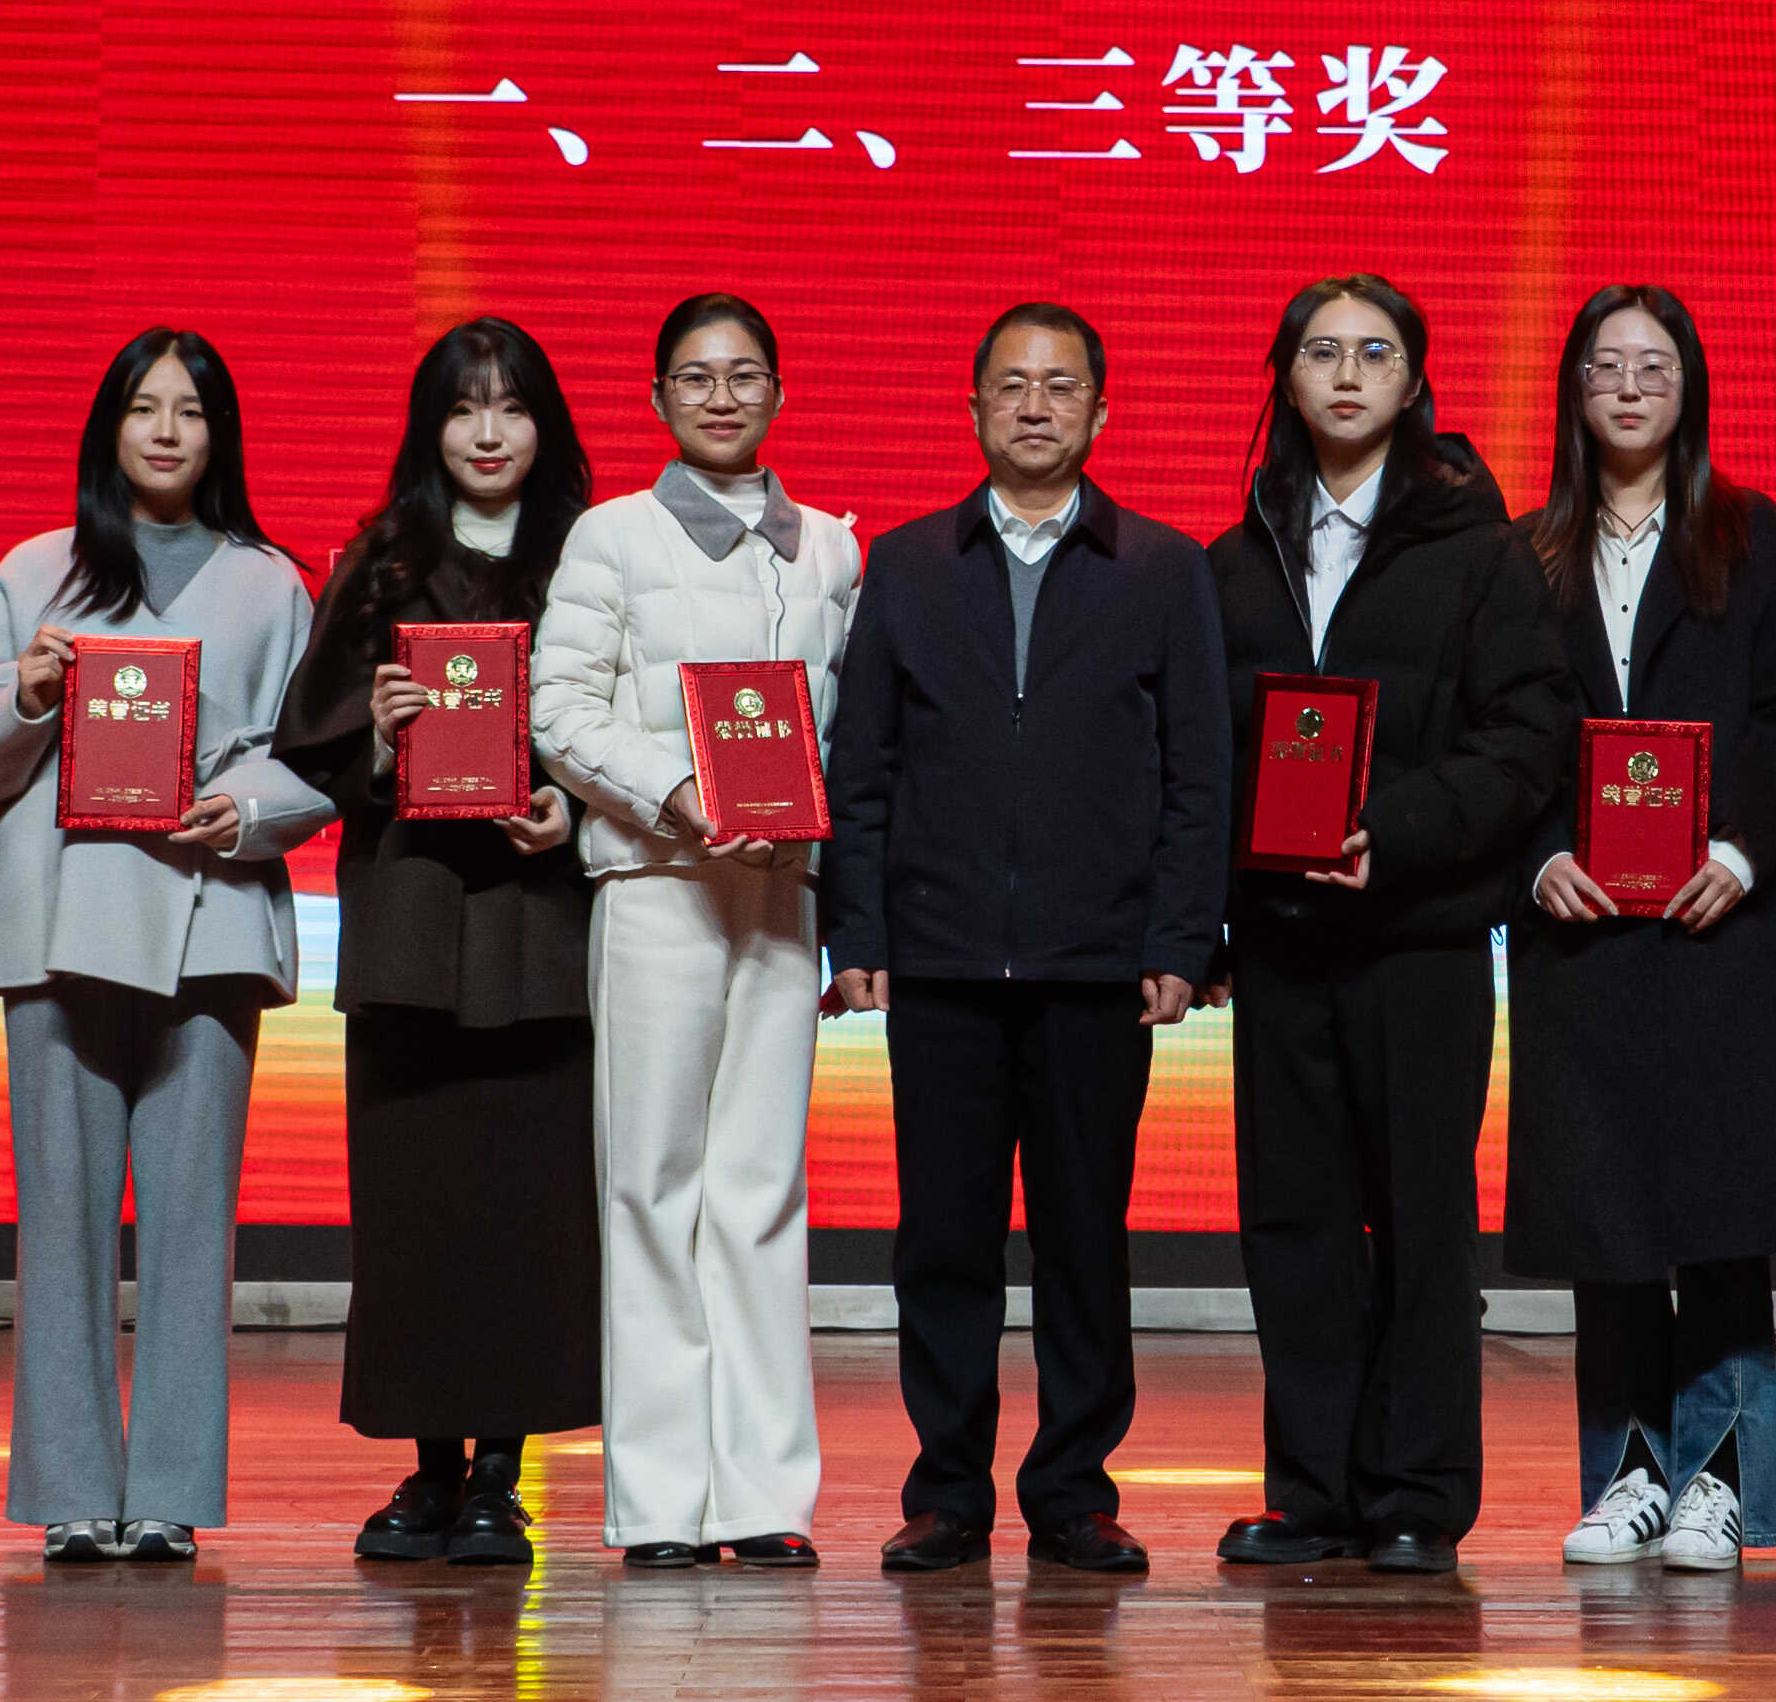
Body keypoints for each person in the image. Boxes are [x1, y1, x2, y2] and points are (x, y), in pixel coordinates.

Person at [823, 301, 1231, 1580]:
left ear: (1102, 410)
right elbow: (864, 766)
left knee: (1083, 1240)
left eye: (1061, 385)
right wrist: (857, 929)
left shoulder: (1162, 569)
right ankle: (947, 1493)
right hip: (940, 960)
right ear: (974, 409)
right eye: (1012, 385)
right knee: (941, 1242)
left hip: (1096, 967)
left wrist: (1181, 938)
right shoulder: (906, 564)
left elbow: (1200, 778)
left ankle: (1072, 1492)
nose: (1036, 406)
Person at [0, 331, 335, 1565]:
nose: (166, 431)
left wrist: (246, 808)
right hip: (59, 924)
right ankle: (70, 1490)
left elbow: (312, 755)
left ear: (220, 437)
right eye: (144, 408)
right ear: (109, 427)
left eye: (191, 411)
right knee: (58, 1219)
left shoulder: (270, 582)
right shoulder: (36, 570)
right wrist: (29, 689)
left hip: (209, 919)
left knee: (193, 1223)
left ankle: (167, 1490)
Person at [1200, 272, 1563, 1574]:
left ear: (1413, 382)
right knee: (1293, 1220)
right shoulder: (1234, 559)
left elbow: (1530, 735)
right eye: (1320, 352)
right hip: (1281, 938)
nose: (1346, 374)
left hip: (1422, 936)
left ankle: (1417, 1492)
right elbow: (1200, 754)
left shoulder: (1480, 550)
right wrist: (1208, 918)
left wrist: (1393, 830)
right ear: (1285, 378)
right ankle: (1311, 1489)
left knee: (1420, 1219)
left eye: (1374, 352)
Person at [528, 293, 861, 1570]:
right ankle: (663, 1501)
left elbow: (850, 731)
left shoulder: (830, 550)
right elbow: (559, 708)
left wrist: (811, 831)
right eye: (695, 377)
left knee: (762, 1190)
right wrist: (677, 795)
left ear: (779, 392)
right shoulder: (611, 536)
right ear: (660, 397)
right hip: (657, 887)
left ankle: (764, 1496)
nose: (722, 398)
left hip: (780, 898)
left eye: (745, 375)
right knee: (652, 1184)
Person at [1511, 285, 1776, 1578]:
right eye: (1607, 366)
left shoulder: (1750, 536)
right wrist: (1538, 854)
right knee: (1607, 1218)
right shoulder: (1529, 551)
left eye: (1655, 365)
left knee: (1719, 1210)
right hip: (1579, 931)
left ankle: (1723, 1483)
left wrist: (1744, 851)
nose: (1631, 387)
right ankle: (1628, 1475)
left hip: (1713, 921)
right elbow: (1502, 729)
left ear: (1690, 385)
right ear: (1575, 389)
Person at [276, 316, 604, 1568]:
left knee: (526, 1210)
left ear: (544, 426)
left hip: (538, 925)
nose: (487, 431)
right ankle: (426, 1468)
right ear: (431, 426)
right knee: (414, 1209)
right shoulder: (383, 557)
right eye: (464, 407)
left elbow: (626, 721)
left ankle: (500, 1478)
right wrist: (379, 730)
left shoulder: (590, 557)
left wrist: (570, 808)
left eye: (511, 406)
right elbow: (309, 735)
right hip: (412, 924)